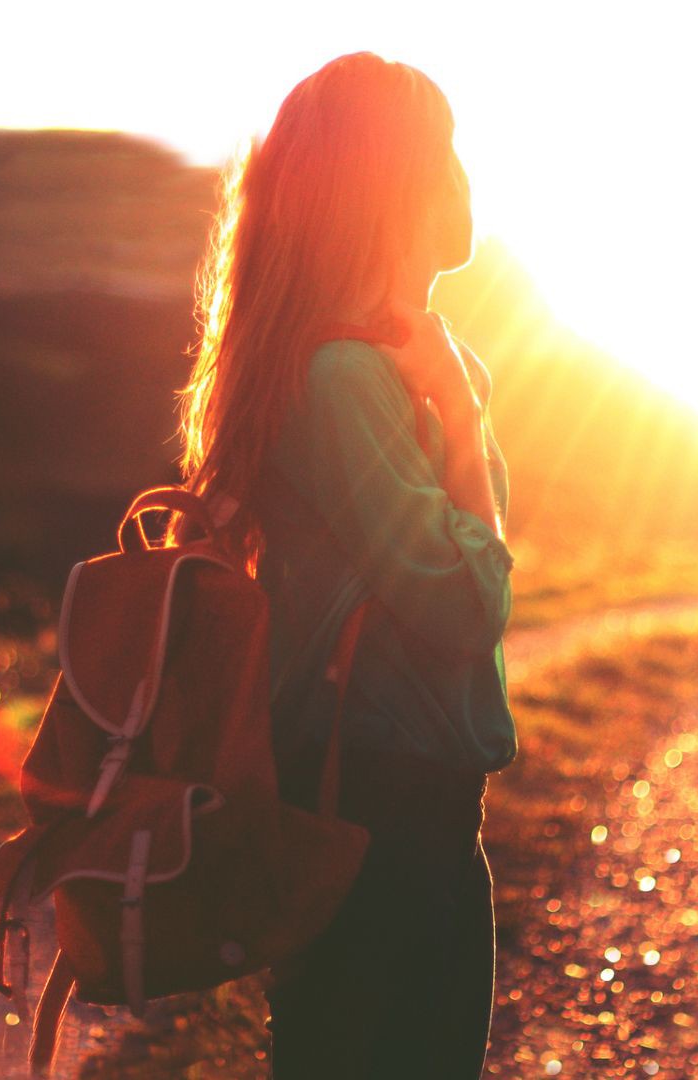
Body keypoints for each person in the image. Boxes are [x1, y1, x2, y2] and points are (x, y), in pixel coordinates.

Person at [171, 51, 516, 1079]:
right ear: (388, 188)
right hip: (372, 816)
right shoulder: (343, 378)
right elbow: (467, 603)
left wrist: (453, 399)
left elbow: (471, 572)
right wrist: (457, 419)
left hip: (431, 814)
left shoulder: (395, 361)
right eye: (443, 151)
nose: (464, 176)